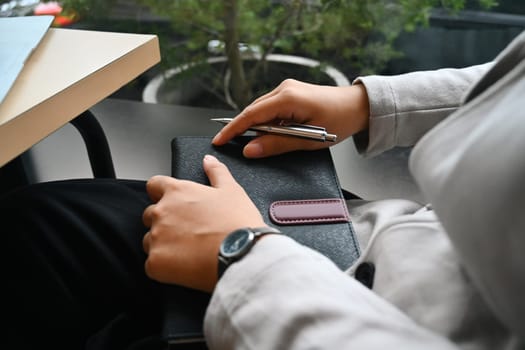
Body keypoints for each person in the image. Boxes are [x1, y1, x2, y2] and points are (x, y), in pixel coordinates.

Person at [2, 29, 524, 349]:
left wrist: (242, 256)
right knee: (33, 224)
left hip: (342, 312)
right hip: (392, 235)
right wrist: (370, 103)